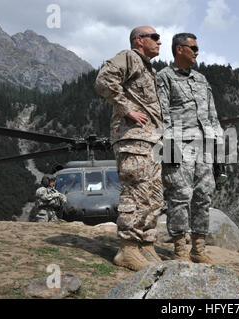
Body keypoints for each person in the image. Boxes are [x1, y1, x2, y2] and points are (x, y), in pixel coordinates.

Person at [94, 26, 164, 271]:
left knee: (153, 196)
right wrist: (126, 108)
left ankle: (145, 244)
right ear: (139, 40)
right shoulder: (129, 56)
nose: (159, 41)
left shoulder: (148, 69)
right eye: (154, 37)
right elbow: (104, 80)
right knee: (135, 192)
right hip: (132, 138)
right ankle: (127, 249)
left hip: (152, 141)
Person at [156, 33, 223, 264]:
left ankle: (198, 249)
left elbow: (212, 114)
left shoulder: (202, 79)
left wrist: (218, 147)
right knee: (180, 196)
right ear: (179, 49)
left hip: (204, 146)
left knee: (204, 196)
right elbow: (162, 115)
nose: (197, 52)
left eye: (197, 48)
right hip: (178, 145)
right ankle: (180, 250)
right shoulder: (164, 77)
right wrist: (169, 147)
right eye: (193, 48)